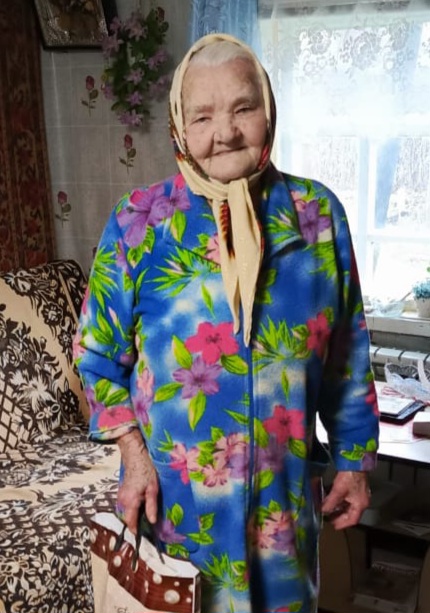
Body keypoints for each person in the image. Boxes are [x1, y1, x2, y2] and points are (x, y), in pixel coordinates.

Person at [73, 32, 379, 613]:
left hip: (283, 507)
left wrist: (354, 461)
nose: (226, 132)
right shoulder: (139, 223)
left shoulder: (317, 217)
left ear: (269, 110)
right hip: (179, 509)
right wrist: (133, 457)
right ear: (179, 126)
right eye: (203, 116)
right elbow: (96, 357)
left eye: (243, 108)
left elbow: (347, 359)